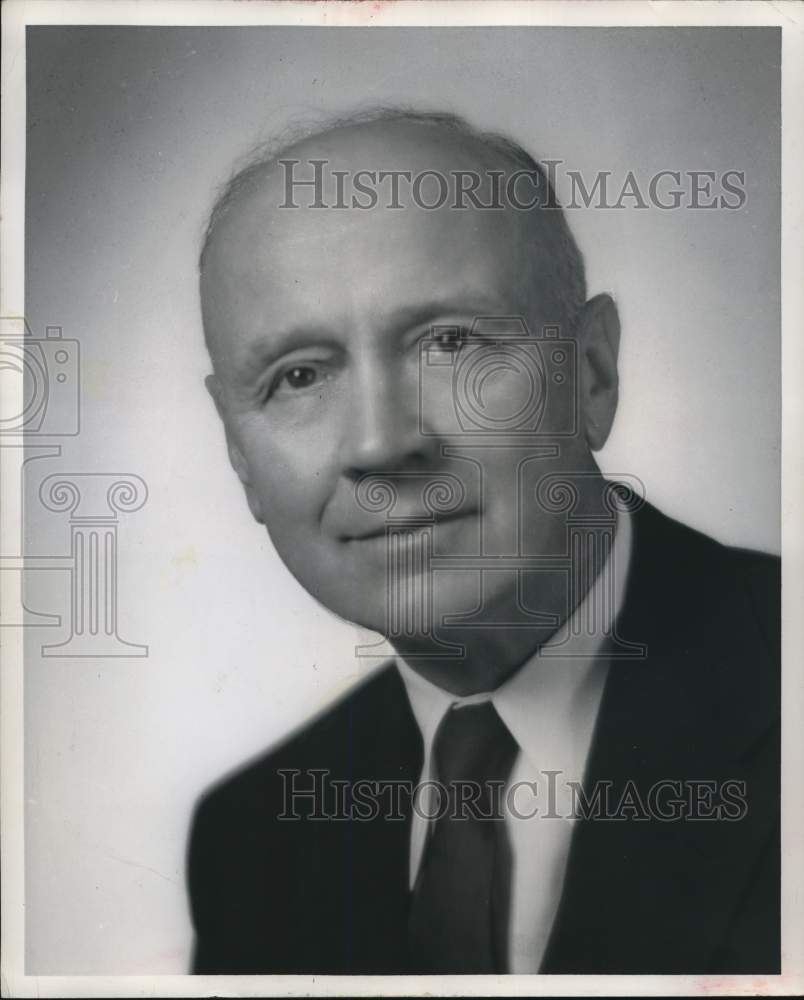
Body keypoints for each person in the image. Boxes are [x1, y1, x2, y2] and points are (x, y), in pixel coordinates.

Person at [187, 109, 780, 974]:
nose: (379, 446)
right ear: (239, 451)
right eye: (300, 376)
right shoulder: (249, 842)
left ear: (591, 373)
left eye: (451, 342)